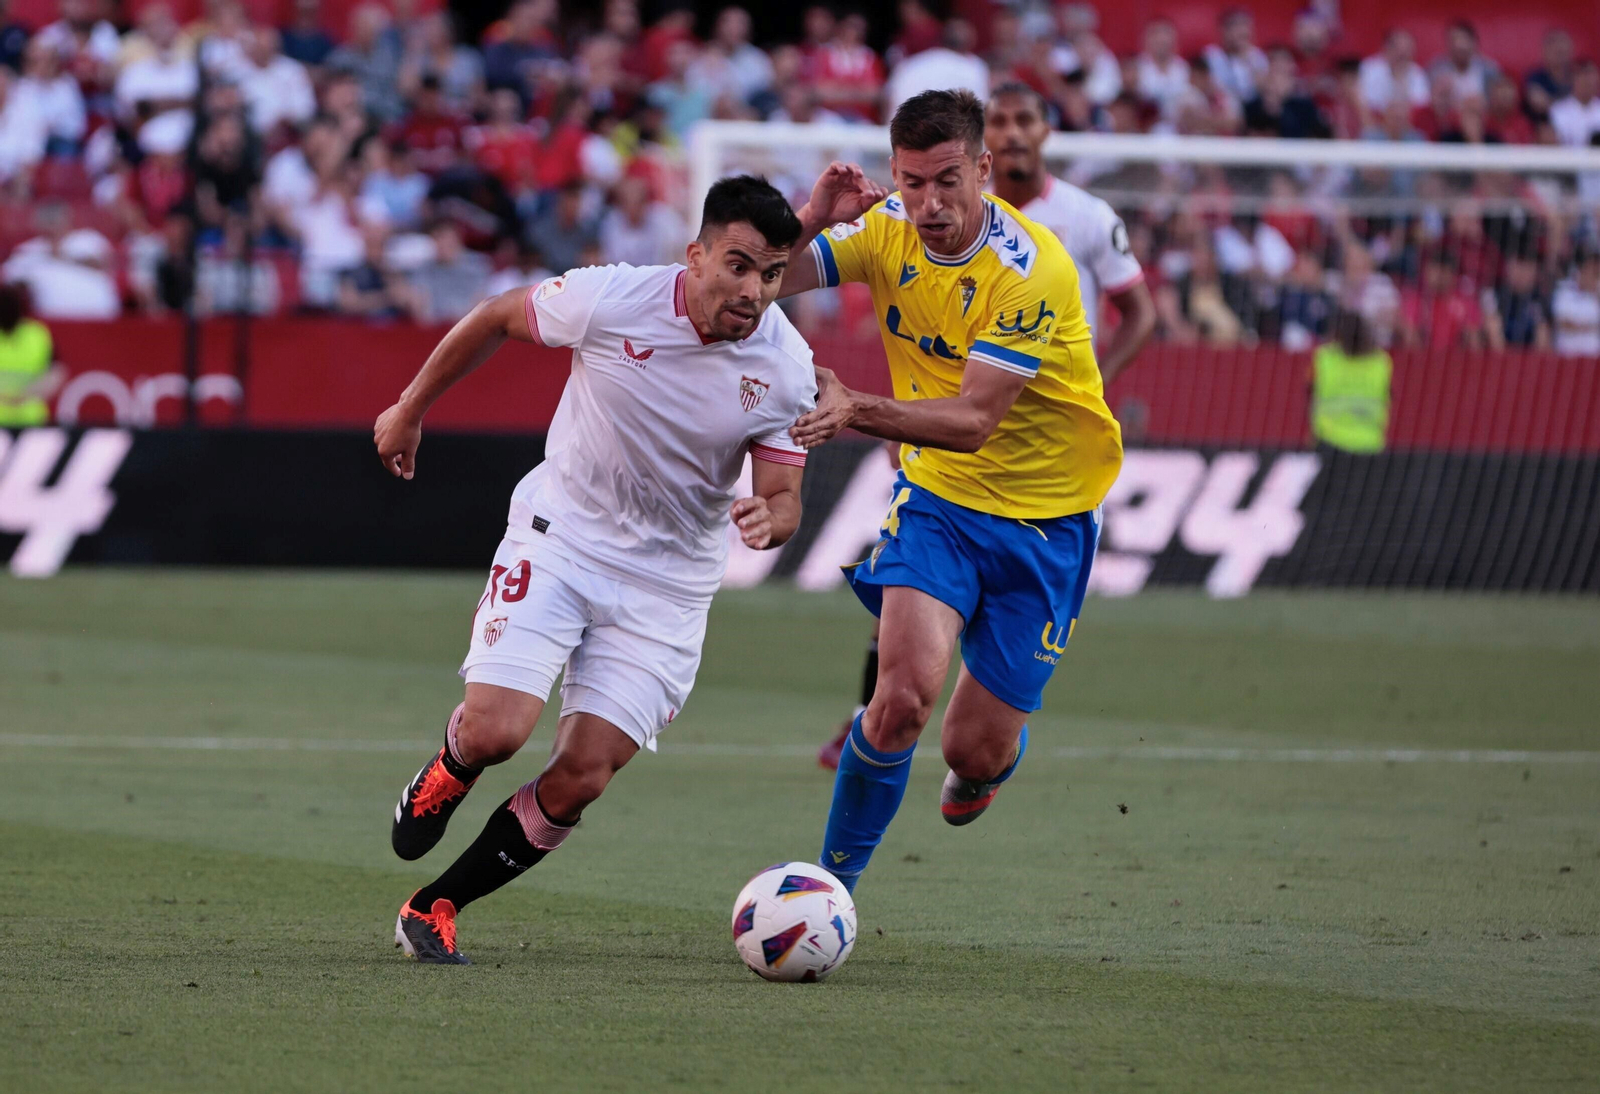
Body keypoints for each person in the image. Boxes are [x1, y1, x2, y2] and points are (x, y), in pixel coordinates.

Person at [375, 176, 822, 964]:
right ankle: (451, 766)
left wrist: (772, 519)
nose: (755, 291)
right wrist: (410, 407)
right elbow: (493, 318)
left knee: (581, 776)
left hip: (669, 587)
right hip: (562, 539)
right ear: (697, 255)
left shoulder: (786, 367)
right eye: (740, 266)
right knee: (498, 730)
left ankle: (438, 904)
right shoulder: (613, 300)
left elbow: (784, 494)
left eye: (773, 274)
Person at [778, 90, 1123, 889]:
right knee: (898, 700)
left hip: (1048, 520)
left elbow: (973, 419)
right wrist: (811, 216)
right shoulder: (884, 229)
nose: (927, 205)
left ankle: (985, 767)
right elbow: (761, 281)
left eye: (946, 182)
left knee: (972, 747)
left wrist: (858, 406)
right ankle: (831, 891)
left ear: (983, 170)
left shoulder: (1030, 268)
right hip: (939, 502)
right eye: (910, 182)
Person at [815, 82, 1153, 771]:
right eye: (1002, 119)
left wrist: (1094, 385)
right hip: (950, 443)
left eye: (1024, 118)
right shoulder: (906, 226)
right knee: (909, 637)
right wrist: (903, 418)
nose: (1015, 130)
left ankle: (986, 745)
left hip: (1035, 447)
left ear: (988, 161)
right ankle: (876, 717)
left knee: (973, 746)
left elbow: (1139, 310)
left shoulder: (1080, 222)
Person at [0, 283, 58, 428]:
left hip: (31, 420)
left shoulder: (37, 334)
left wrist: (27, 395)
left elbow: (56, 372)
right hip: (30, 418)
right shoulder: (37, 333)